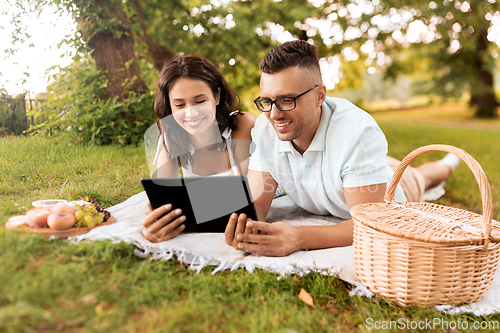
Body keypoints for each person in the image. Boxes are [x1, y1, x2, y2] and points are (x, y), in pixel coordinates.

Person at [225, 40, 460, 256]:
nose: (274, 114)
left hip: (391, 188)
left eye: (287, 100)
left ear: (320, 96)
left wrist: (297, 238)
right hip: (358, 169)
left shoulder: (358, 133)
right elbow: (257, 204)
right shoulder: (265, 130)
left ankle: (448, 162)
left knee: (422, 178)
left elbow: (369, 224)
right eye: (267, 101)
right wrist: (244, 228)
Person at [142, 55, 255, 243]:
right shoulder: (170, 137)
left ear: (217, 96)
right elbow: (162, 199)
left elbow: (245, 198)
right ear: (170, 107)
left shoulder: (242, 124)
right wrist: (155, 223)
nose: (191, 113)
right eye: (179, 105)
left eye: (200, 101)